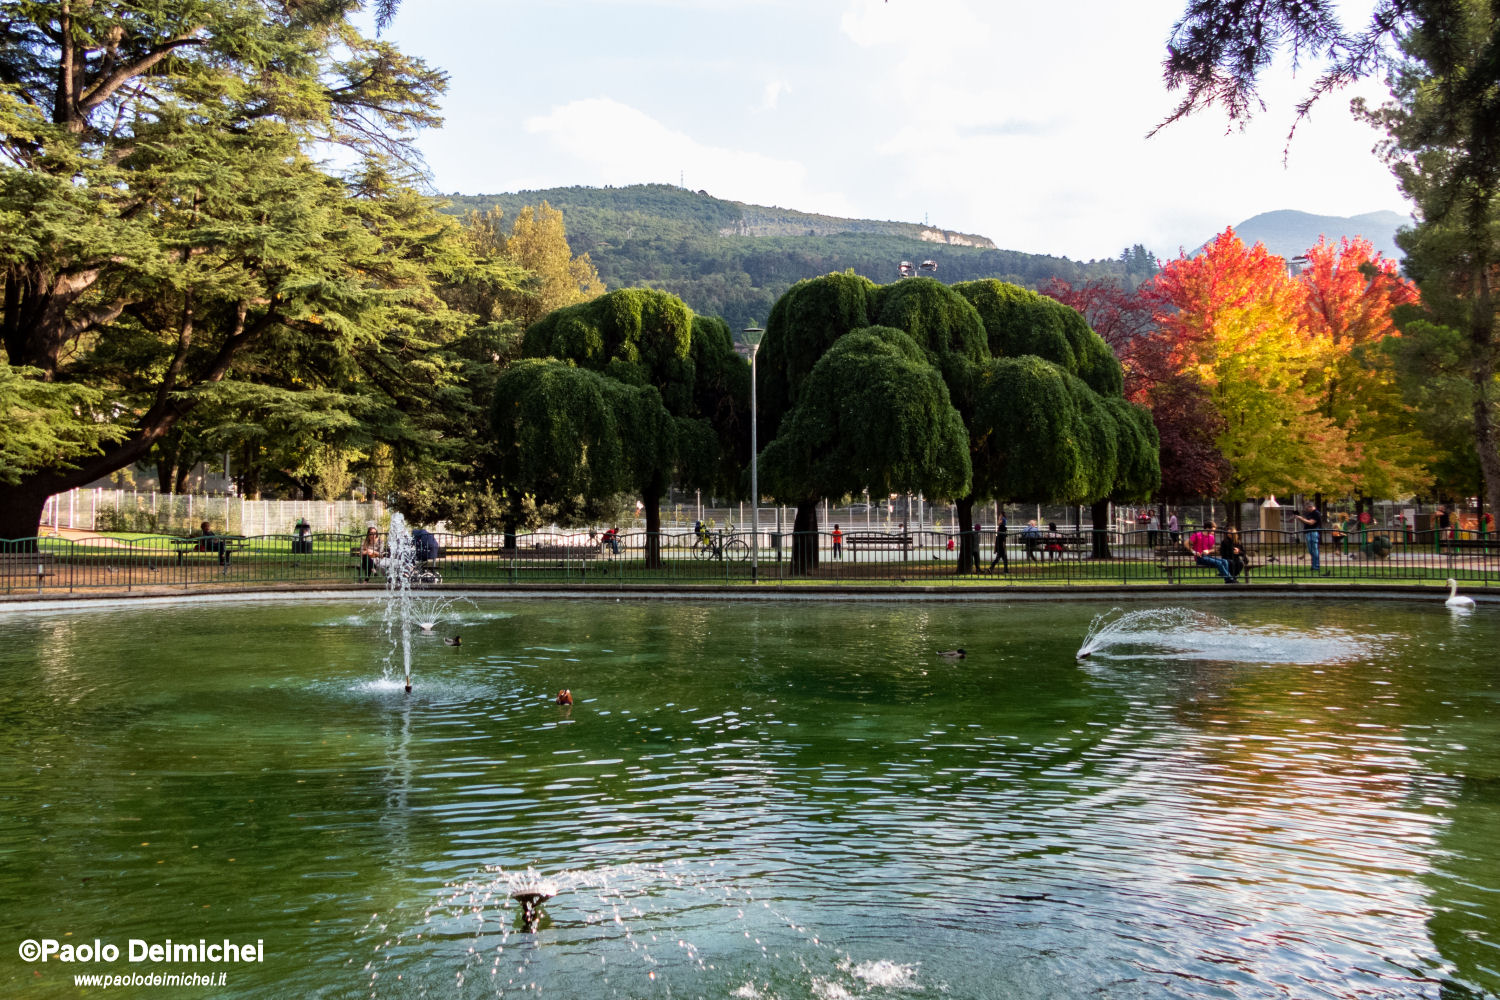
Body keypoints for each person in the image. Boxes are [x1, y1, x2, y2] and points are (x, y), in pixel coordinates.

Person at [1290, 502, 1325, 574]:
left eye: (1307, 508)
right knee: (1311, 550)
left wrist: (1300, 518)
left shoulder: (1316, 513)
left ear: (1311, 507)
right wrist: (1299, 518)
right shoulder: (1310, 513)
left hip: (1313, 532)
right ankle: (1314, 565)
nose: (1306, 510)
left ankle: (1316, 566)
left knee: (1314, 550)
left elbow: (1310, 522)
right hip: (1308, 532)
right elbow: (1306, 522)